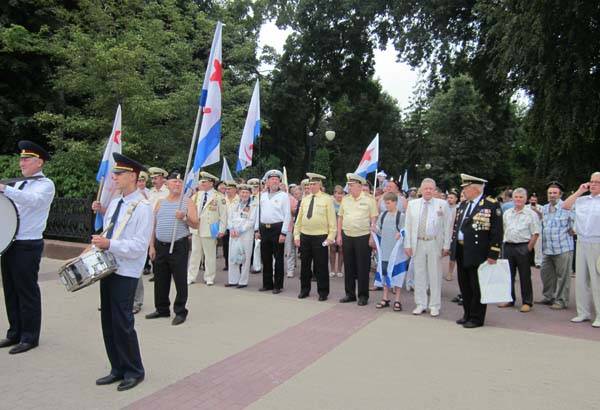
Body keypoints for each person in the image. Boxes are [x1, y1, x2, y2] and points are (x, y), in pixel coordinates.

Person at [91, 153, 152, 391]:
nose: (114, 177)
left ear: (133, 177)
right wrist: (99, 243)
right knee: (108, 321)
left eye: (119, 174)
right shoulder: (116, 203)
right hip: (108, 267)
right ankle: (116, 368)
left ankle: (134, 370)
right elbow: (109, 232)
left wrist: (110, 244)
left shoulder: (143, 208)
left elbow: (139, 246)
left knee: (123, 322)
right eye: (114, 173)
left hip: (126, 272)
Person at [0, 140, 55, 354]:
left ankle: (30, 337)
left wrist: (5, 189)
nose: (21, 162)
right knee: (11, 289)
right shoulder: (19, 183)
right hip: (10, 243)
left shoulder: (45, 184)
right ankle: (14, 332)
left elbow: (34, 201)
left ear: (39, 162)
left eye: (26, 159)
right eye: (21, 158)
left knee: (26, 291)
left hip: (28, 244)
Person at [146, 170, 198, 326]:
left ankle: (180, 311)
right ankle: (162, 308)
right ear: (167, 184)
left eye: (180, 182)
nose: (177, 184)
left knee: (180, 279)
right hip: (160, 245)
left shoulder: (187, 202)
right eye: (174, 181)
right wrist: (151, 246)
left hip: (178, 245)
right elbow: (153, 226)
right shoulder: (160, 202)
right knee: (160, 279)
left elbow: (196, 224)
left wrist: (184, 217)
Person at [451, 174, 503, 328]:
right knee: (464, 285)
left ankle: (476, 317)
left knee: (477, 286)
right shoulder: (463, 205)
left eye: (466, 188)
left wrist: (493, 253)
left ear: (476, 189)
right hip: (461, 249)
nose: (464, 191)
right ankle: (467, 314)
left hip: (478, 251)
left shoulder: (490, 205)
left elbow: (497, 231)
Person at [404, 178, 452, 317]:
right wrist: (407, 244)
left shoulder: (442, 204)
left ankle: (434, 305)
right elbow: (408, 226)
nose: (428, 191)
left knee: (435, 275)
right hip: (418, 242)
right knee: (419, 274)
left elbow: (447, 226)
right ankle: (420, 304)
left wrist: (446, 245)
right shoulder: (412, 204)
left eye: (431, 188)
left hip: (434, 243)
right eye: (426, 188)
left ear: (435, 190)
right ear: (421, 189)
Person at [562, 172, 600, 327]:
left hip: (598, 242)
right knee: (581, 279)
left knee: (597, 280)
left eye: (597, 182)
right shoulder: (582, 200)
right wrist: (579, 191)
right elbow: (565, 206)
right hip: (582, 241)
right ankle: (583, 312)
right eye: (592, 181)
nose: (593, 184)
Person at [337, 173, 378, 306]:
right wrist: (339, 235)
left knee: (363, 267)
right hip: (347, 235)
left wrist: (372, 237)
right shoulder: (345, 199)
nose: (349, 188)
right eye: (349, 185)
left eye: (352, 185)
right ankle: (350, 294)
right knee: (348, 266)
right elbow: (340, 217)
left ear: (360, 186)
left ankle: (363, 295)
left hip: (363, 236)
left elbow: (373, 220)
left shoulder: (369, 200)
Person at [294, 173, 337, 301]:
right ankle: (304, 290)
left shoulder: (327, 199)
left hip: (320, 237)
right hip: (305, 236)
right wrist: (296, 235)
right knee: (305, 265)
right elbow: (299, 219)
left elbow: (332, 220)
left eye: (314, 184)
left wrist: (330, 237)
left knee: (321, 266)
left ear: (320, 185)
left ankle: (323, 292)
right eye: (310, 184)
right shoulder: (305, 199)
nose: (311, 186)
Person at [499, 188, 540, 312]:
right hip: (508, 246)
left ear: (526, 199)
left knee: (524, 276)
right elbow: (504, 229)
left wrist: (528, 248)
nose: (518, 199)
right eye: (516, 197)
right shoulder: (507, 213)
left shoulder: (531, 214)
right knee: (508, 275)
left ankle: (527, 302)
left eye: (521, 197)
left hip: (523, 246)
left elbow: (535, 233)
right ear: (512, 198)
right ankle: (509, 299)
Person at [537, 181, 574, 310]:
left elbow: (574, 225)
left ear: (560, 194)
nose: (552, 195)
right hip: (548, 249)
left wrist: (573, 230)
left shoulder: (567, 207)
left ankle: (561, 301)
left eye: (554, 193)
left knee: (563, 277)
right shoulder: (544, 208)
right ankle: (548, 297)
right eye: (550, 193)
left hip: (563, 248)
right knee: (546, 274)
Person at [187, 172, 227, 286]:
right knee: (195, 254)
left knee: (210, 255)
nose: (202, 183)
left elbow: (223, 215)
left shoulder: (219, 196)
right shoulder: (196, 195)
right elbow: (191, 210)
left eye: (205, 182)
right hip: (196, 229)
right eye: (202, 181)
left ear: (211, 183)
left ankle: (209, 277)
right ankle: (191, 276)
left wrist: (222, 230)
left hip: (210, 229)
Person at [255, 169, 291, 294]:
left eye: (276, 179)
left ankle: (278, 285)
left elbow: (287, 215)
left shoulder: (284, 196)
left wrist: (284, 232)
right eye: (272, 179)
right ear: (267, 182)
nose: (274, 181)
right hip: (264, 229)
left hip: (277, 228)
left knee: (278, 258)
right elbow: (258, 213)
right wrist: (257, 229)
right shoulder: (262, 195)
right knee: (266, 258)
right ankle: (267, 284)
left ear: (280, 182)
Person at [375, 192, 405, 311]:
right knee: (384, 274)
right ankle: (385, 298)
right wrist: (374, 229)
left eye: (388, 203)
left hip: (396, 252)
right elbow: (379, 230)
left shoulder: (401, 216)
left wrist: (401, 234)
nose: (386, 205)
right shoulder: (383, 215)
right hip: (384, 251)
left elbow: (405, 230)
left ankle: (397, 299)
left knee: (397, 275)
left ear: (395, 202)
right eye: (385, 203)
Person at [226, 184, 258, 288]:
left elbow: (251, 221)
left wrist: (240, 230)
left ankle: (243, 281)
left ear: (250, 194)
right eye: (242, 192)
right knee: (232, 256)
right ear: (239, 193)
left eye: (247, 192)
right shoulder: (235, 204)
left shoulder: (253, 205)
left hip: (246, 234)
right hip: (233, 233)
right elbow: (229, 218)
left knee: (245, 257)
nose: (244, 194)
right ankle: (233, 280)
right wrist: (231, 228)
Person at [329, 185, 345, 278]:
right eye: (337, 193)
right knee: (332, 248)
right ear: (334, 194)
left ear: (343, 194)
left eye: (341, 193)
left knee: (341, 249)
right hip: (333, 228)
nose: (339, 195)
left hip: (343, 228)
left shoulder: (345, 202)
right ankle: (332, 269)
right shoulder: (331, 202)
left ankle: (339, 270)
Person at [285, 183, 299, 278]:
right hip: (279, 227)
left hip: (290, 227)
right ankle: (276, 269)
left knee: (290, 249)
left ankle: (290, 269)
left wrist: (290, 209)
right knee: (278, 250)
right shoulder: (279, 198)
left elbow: (295, 212)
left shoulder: (292, 199)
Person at [445, 189, 459, 281]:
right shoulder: (444, 207)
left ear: (456, 199)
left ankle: (450, 273)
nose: (449, 199)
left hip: (453, 234)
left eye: (451, 198)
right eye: (448, 197)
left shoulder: (458, 209)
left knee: (452, 256)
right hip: (443, 233)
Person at [527, 193, 544, 267]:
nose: (533, 201)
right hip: (528, 229)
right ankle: (525, 261)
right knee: (526, 245)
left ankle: (538, 262)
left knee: (538, 247)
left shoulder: (541, 207)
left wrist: (536, 210)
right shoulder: (525, 207)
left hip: (537, 228)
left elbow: (542, 217)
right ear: (529, 200)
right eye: (532, 200)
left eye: (535, 200)